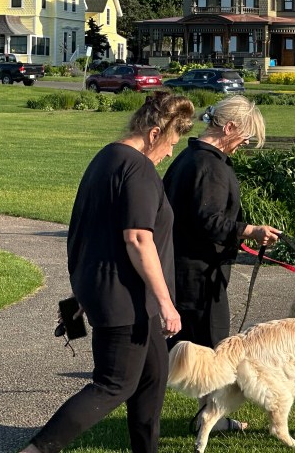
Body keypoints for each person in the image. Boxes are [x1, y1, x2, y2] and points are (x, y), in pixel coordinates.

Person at [22, 91, 195, 453]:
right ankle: (37, 449)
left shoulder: (105, 158)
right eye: (170, 143)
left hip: (124, 297)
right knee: (113, 384)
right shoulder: (138, 168)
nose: (169, 154)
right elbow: (137, 239)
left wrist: (82, 292)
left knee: (151, 381)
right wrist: (167, 303)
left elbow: (89, 233)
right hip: (125, 301)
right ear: (153, 134)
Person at [164, 95, 281, 432]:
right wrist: (250, 230)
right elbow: (208, 221)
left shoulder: (191, 158)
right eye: (244, 136)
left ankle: (208, 414)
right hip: (198, 274)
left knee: (196, 344)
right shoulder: (209, 166)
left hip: (187, 269)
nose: (244, 144)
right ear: (228, 127)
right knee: (213, 348)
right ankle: (211, 418)